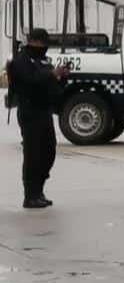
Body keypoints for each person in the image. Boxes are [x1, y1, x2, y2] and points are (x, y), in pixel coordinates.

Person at [7, 28, 69, 208]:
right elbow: (29, 79)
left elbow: (51, 85)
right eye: (42, 44)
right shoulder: (21, 60)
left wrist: (61, 78)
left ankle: (39, 190)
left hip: (44, 111)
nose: (44, 47)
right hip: (30, 111)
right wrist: (50, 74)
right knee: (33, 154)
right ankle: (30, 195)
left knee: (48, 152)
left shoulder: (43, 60)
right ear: (33, 42)